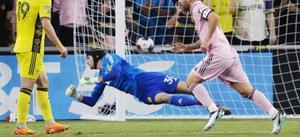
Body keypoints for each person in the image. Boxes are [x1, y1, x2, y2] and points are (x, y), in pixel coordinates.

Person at [171, 0, 286, 134]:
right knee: (246, 91)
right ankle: (275, 114)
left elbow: (214, 17)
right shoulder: (196, 13)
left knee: (191, 81)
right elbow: (206, 36)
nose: (179, 1)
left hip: (218, 54)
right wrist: (187, 47)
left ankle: (213, 110)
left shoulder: (197, 7)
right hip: (228, 54)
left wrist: (206, 42)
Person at [65, 49, 231, 115]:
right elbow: (92, 101)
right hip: (142, 92)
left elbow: (115, 73)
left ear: (96, 57)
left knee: (190, 87)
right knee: (164, 98)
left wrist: (95, 78)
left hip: (148, 78)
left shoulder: (110, 58)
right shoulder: (102, 79)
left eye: (88, 58)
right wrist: (76, 95)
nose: (86, 62)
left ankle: (216, 102)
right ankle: (213, 108)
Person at [13, 0, 70, 135]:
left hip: (23, 44)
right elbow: (46, 25)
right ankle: (20, 126)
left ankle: (50, 123)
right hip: (32, 48)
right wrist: (60, 46)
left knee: (43, 82)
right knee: (27, 87)